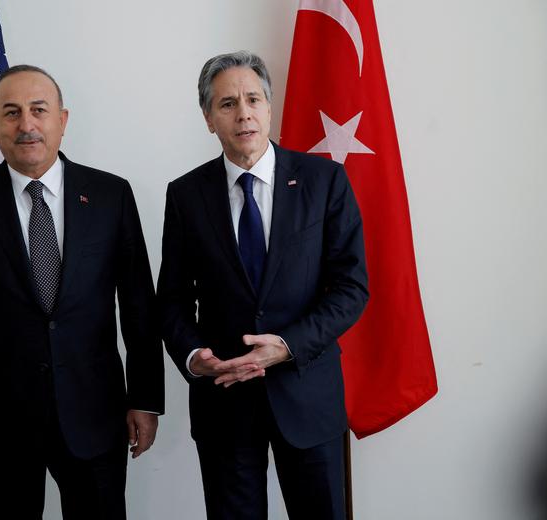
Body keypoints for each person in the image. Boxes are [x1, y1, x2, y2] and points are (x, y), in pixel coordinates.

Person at [0, 64, 164, 520]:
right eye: (11, 113)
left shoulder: (112, 195)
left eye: (39, 110)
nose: (27, 124)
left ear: (63, 119)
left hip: (96, 414)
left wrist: (146, 399)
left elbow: (138, 308)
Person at [157, 51, 368, 519]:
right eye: (228, 103)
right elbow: (171, 300)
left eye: (253, 99)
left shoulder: (324, 180)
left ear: (270, 108)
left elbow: (351, 288)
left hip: (308, 397)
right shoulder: (186, 195)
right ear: (209, 118)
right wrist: (196, 357)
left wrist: (287, 346)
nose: (244, 112)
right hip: (225, 405)